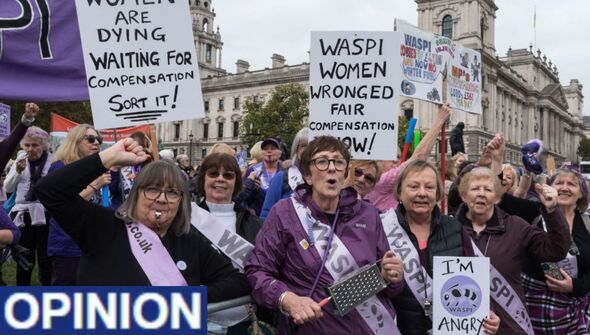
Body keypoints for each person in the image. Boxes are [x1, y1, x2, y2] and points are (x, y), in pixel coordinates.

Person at [35, 138, 250, 302]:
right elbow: (49, 191)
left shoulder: (190, 241)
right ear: (136, 193)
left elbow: (238, 282)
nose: (162, 199)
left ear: (181, 201)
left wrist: (185, 299)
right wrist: (108, 158)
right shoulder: (103, 226)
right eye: (153, 189)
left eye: (172, 192)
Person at [246, 136, 404, 334]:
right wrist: (288, 299)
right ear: (308, 175)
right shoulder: (285, 213)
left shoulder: (368, 214)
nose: (331, 168)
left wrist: (393, 276)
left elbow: (390, 285)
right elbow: (258, 271)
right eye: (322, 161)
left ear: (345, 174)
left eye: (338, 162)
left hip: (369, 327)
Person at [383, 159, 500, 335]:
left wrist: (487, 314)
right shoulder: (382, 228)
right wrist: (384, 277)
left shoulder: (455, 229)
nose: (422, 193)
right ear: (399, 192)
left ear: (438, 194)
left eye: (429, 187)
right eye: (414, 187)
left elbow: (474, 280)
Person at [454, 166, 570, 334]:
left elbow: (555, 250)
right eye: (475, 189)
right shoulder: (449, 228)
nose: (481, 194)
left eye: (488, 189)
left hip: (509, 326)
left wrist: (552, 211)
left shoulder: (516, 226)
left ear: (497, 197)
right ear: (464, 195)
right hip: (461, 325)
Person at [195, 152, 263, 334]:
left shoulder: (255, 223)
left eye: (228, 175)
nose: (220, 179)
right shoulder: (184, 221)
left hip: (244, 323)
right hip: (200, 323)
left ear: (236, 182)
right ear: (202, 179)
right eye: (213, 174)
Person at [522, 166, 590, 334]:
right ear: (550, 188)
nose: (565, 188)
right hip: (539, 308)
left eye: (571, 184)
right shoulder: (532, 215)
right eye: (559, 183)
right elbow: (498, 200)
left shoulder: (588, 224)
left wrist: (575, 286)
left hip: (580, 306)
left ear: (581, 193)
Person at [46, 124, 112, 285]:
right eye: (90, 139)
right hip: (68, 243)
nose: (96, 143)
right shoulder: (59, 168)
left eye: (98, 139)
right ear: (75, 142)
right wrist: (95, 185)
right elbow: (63, 205)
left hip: (93, 242)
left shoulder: (94, 168)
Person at [366, 103, 451, 212]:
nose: (395, 161)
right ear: (377, 160)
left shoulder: (375, 182)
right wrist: (440, 120)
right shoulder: (382, 180)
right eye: (390, 156)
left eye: (398, 157)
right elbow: (420, 157)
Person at [4, 126, 52, 286]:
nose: (30, 149)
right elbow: (8, 189)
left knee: (46, 258)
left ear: (44, 145)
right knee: (24, 257)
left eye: (35, 145)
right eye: (27, 145)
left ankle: (47, 292)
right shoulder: (20, 160)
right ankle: (22, 291)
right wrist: (17, 171)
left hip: (46, 214)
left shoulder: (52, 161)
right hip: (23, 215)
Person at [260, 127, 308, 220]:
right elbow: (266, 214)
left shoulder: (324, 179)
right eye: (303, 146)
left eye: (312, 145)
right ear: (296, 150)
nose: (308, 149)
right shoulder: (282, 177)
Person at [241, 137, 282, 215]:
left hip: (280, 216)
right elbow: (243, 196)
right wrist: (252, 189)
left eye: (273, 148)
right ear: (262, 152)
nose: (269, 151)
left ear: (279, 153)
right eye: (265, 149)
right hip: (257, 218)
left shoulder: (286, 171)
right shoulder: (252, 170)